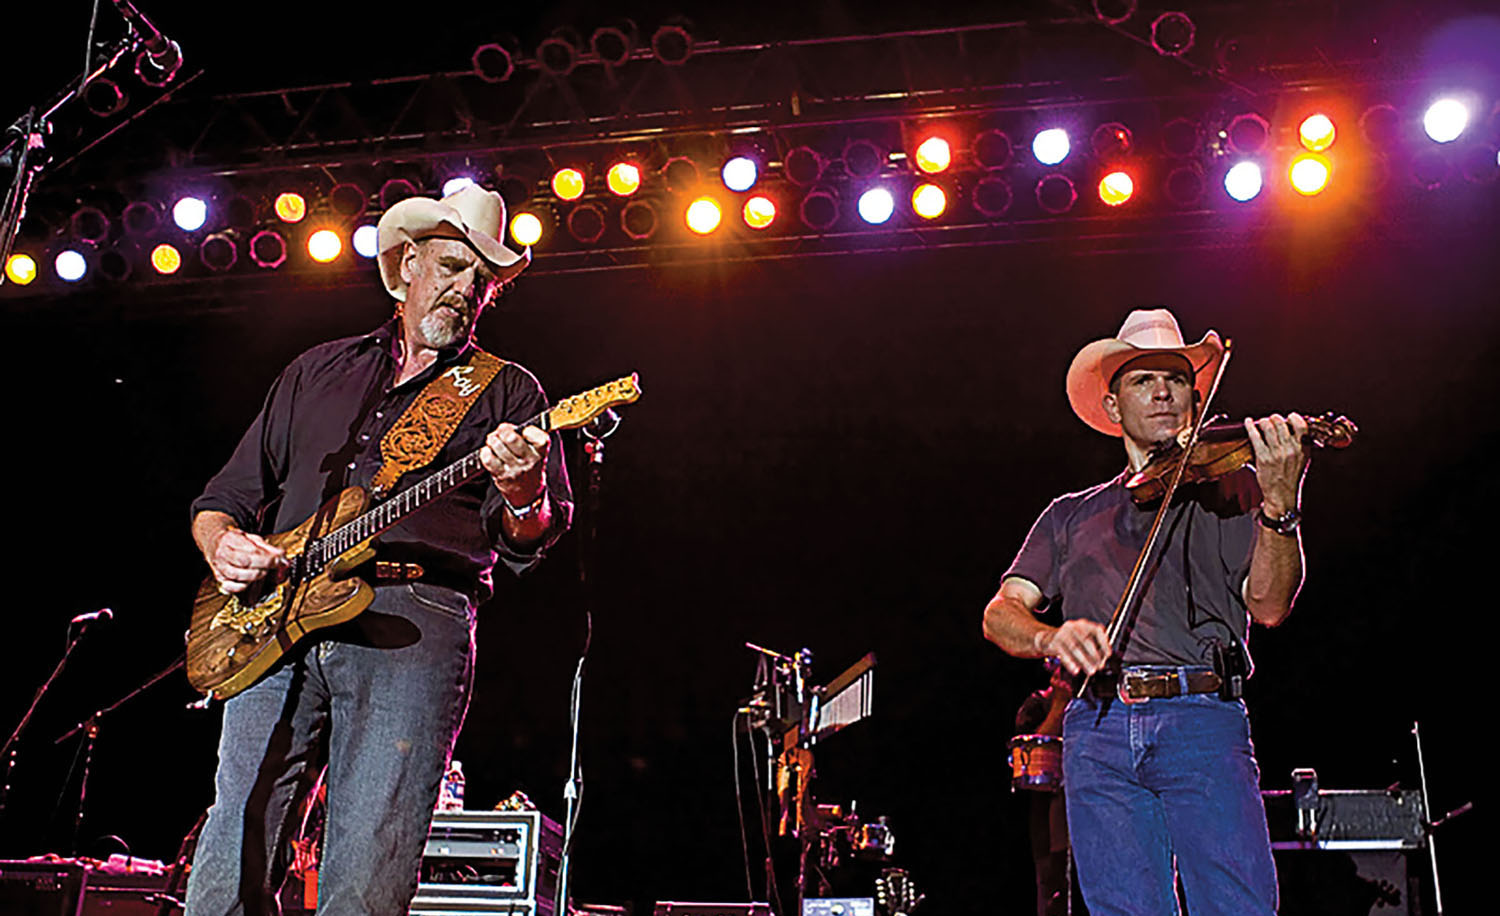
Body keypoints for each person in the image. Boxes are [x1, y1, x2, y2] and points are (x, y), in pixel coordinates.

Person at [184, 184, 573, 915]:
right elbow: (222, 497)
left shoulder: (506, 392)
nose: (464, 290)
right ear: (407, 264)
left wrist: (525, 492)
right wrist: (225, 545)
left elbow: (527, 537)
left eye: (480, 280)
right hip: (276, 622)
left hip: (414, 623)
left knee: (367, 874)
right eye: (452, 266)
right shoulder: (316, 372)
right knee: (228, 856)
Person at [982, 308, 1309, 916]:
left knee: (1237, 904)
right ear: (1112, 408)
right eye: (1142, 379)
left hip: (1201, 719)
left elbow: (1269, 606)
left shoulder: (1235, 492)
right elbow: (1002, 611)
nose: (1162, 391)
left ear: (1194, 396)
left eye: (1177, 379)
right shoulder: (1070, 514)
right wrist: (1050, 637)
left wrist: (1280, 507)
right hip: (1097, 728)